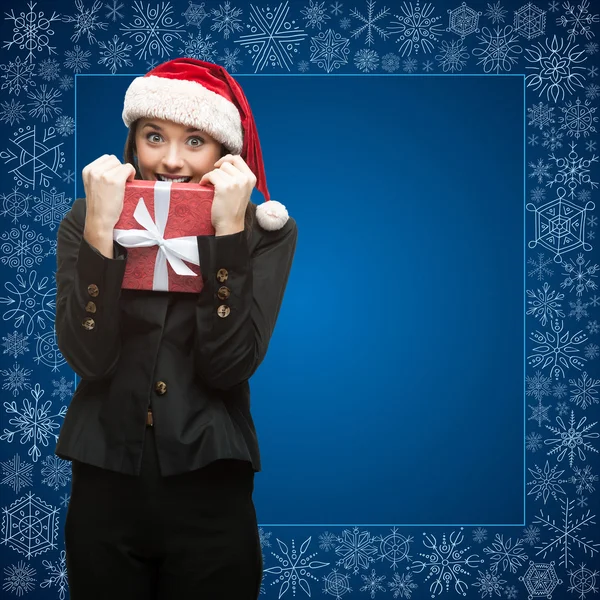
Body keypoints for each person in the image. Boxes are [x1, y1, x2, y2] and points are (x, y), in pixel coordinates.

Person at [54, 57, 298, 599]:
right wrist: (100, 229)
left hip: (211, 488)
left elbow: (228, 365)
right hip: (104, 486)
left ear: (223, 153)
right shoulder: (86, 217)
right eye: (154, 137)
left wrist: (228, 234)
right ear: (133, 142)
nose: (169, 161)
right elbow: (87, 358)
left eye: (195, 142)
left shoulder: (264, 233)